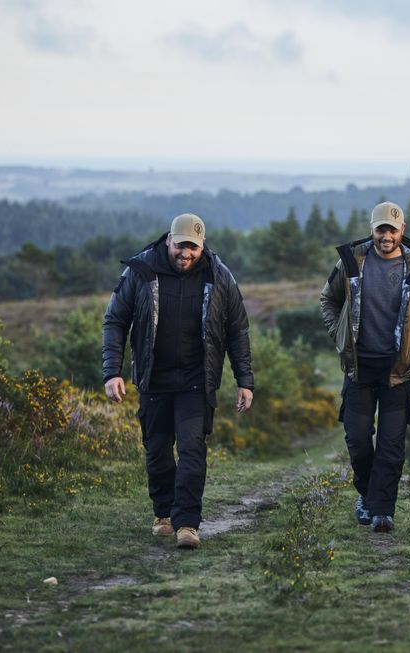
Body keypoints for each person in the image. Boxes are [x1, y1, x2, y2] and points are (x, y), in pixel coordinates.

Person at [102, 213, 254, 549]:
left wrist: (245, 380)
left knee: (191, 449)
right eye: (181, 246)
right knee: (157, 451)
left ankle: (187, 523)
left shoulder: (219, 275)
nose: (186, 254)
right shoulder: (141, 270)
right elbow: (115, 321)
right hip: (154, 379)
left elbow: (237, 331)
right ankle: (164, 514)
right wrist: (112, 371)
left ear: (201, 247)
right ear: (169, 240)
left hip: (196, 381)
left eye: (193, 248)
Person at [320, 201, 410, 533]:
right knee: (358, 440)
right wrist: (340, 334)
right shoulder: (351, 261)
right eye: (380, 229)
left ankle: (382, 510)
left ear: (402, 230)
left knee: (391, 444)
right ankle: (366, 495)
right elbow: (327, 300)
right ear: (372, 229)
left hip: (397, 373)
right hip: (359, 370)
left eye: (392, 229)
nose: (386, 235)